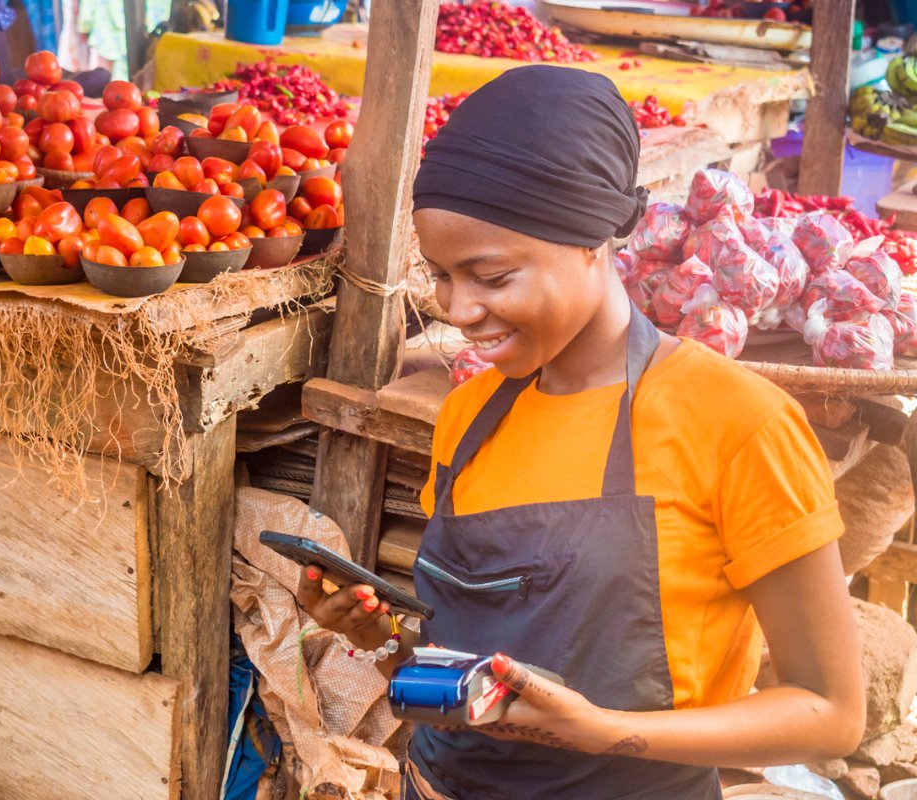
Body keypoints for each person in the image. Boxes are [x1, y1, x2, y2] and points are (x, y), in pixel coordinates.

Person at [298, 66, 865, 799]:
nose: (458, 308)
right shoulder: (469, 417)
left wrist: (603, 730)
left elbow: (831, 711)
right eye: (440, 275)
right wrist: (380, 640)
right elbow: (475, 668)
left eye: (492, 277)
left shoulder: (738, 424)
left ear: (592, 243)